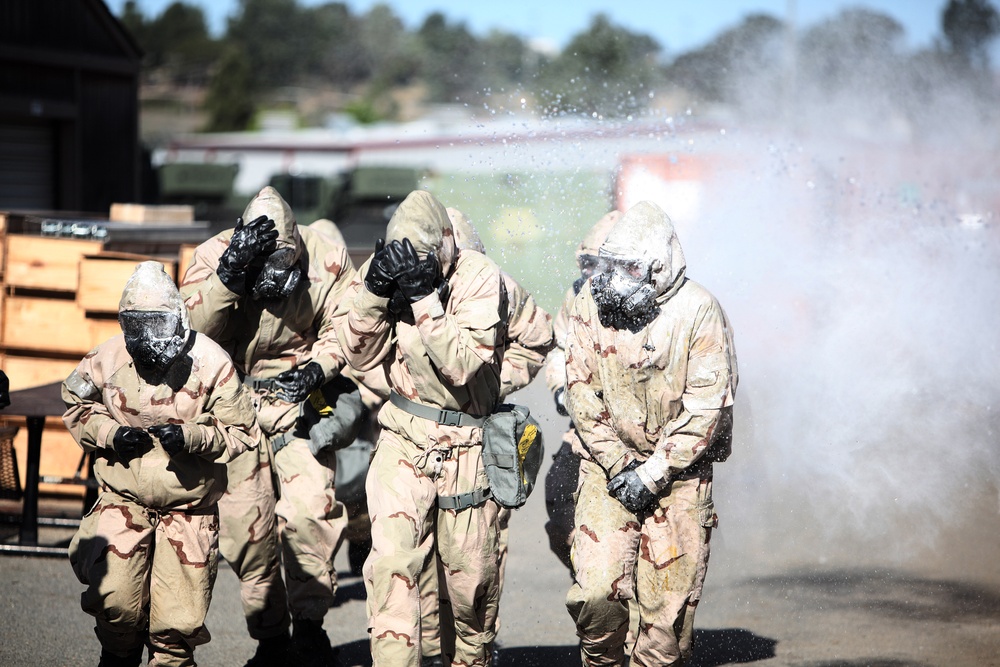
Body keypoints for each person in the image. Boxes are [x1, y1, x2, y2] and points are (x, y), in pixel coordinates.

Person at [180, 186, 359, 666]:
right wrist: (228, 280)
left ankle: (311, 630)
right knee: (246, 531)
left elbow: (351, 326)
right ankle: (271, 638)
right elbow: (188, 335)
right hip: (232, 402)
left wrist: (319, 368)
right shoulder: (215, 255)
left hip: (300, 396)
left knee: (309, 514)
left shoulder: (328, 257)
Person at [334, 190, 508, 667]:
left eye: (428, 257)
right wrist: (374, 294)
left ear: (448, 243)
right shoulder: (387, 268)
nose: (418, 265)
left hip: (468, 445)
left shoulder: (478, 277)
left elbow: (462, 365)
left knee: (470, 583)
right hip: (404, 438)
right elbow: (356, 354)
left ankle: (471, 659)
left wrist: (423, 298)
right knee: (392, 566)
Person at [564, 201, 738, 667]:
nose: (614, 279)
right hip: (609, 469)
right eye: (610, 265)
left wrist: (653, 473)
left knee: (664, 632)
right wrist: (622, 467)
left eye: (629, 267)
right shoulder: (589, 304)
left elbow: (707, 410)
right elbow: (581, 390)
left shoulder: (699, 311)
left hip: (679, 478)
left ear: (659, 268)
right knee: (596, 595)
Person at [62, 261, 260, 667]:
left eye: (157, 324)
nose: (148, 338)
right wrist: (109, 434)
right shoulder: (107, 356)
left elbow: (243, 432)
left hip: (188, 508)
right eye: (137, 326)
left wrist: (193, 438)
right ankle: (118, 656)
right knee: (114, 603)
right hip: (124, 499)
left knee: (177, 624)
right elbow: (75, 402)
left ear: (178, 319)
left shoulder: (211, 362)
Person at [418, 208, 555, 665]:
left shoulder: (496, 284)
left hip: (478, 443)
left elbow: (538, 337)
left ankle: (474, 652)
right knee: (417, 567)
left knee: (474, 566)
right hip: (418, 440)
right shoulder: (411, 283)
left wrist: (493, 383)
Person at [543, 210, 620, 572]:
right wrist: (562, 390)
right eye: (585, 263)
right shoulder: (577, 296)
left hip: (642, 439)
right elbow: (561, 348)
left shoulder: (665, 307)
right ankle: (593, 591)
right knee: (560, 506)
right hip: (585, 431)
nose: (588, 273)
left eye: (597, 264)